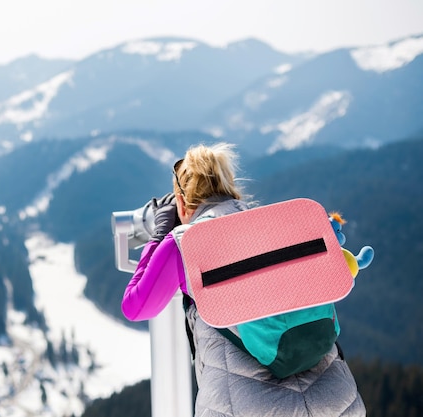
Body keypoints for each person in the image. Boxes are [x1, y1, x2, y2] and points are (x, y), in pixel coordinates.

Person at [121, 142, 366, 417]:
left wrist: (160, 234)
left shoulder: (185, 244)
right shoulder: (276, 226)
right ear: (230, 186)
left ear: (181, 199)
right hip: (337, 400)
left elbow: (136, 306)